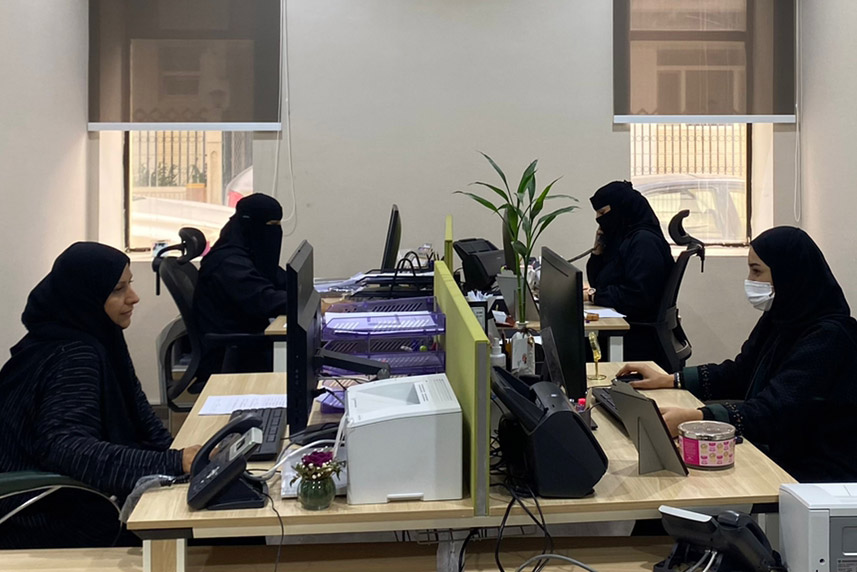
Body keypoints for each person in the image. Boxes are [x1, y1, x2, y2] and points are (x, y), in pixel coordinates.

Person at [0, 243, 200, 548]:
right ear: (86, 297)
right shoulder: (74, 356)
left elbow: (141, 413)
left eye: (130, 284)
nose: (134, 297)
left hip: (67, 498)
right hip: (47, 516)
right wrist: (172, 463)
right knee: (220, 530)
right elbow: (65, 447)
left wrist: (177, 457)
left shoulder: (89, 334)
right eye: (119, 289)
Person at [620, 226, 857, 483]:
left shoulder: (830, 337)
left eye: (757, 271)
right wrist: (670, 379)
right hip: (776, 451)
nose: (750, 280)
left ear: (788, 273)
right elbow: (740, 373)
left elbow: (775, 411)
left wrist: (698, 418)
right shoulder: (781, 318)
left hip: (815, 473)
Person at [195, 194, 289, 373]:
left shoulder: (249, 253)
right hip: (233, 354)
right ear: (251, 224)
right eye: (271, 225)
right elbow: (265, 299)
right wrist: (308, 303)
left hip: (248, 343)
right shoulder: (229, 263)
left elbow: (279, 279)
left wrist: (310, 293)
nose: (276, 232)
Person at [585, 180, 674, 365]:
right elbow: (598, 282)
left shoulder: (644, 243)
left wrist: (594, 296)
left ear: (621, 208)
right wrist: (598, 250)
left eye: (602, 213)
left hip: (637, 337)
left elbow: (637, 297)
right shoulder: (623, 239)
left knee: (569, 347)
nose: (598, 220)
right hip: (628, 329)